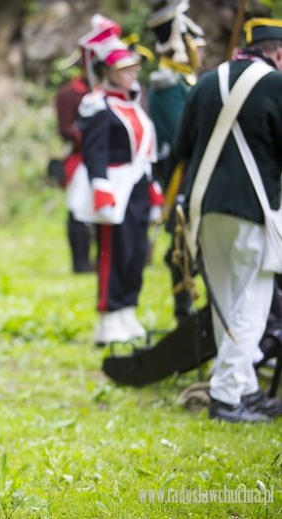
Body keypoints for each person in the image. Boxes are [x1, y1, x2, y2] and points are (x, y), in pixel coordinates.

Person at [176, 18, 282, 422]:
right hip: (253, 210)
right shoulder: (275, 85)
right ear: (278, 53)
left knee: (226, 303)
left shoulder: (205, 82)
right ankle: (226, 397)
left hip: (204, 210)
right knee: (252, 303)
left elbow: (183, 147)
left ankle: (245, 388)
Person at [68, 21, 163, 346]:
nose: (132, 73)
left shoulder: (134, 102)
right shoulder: (98, 105)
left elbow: (145, 152)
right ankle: (109, 320)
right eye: (125, 68)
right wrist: (101, 188)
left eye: (134, 67)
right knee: (113, 252)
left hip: (137, 186)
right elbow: (94, 152)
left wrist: (153, 189)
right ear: (108, 71)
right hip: (113, 188)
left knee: (137, 252)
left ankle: (127, 312)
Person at [146, 0, 206, 323]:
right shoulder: (166, 84)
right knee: (182, 250)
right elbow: (182, 136)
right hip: (181, 176)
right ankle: (184, 312)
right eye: (193, 43)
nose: (199, 50)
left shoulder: (185, 81)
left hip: (195, 172)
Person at [55, 66, 92, 273]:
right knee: (78, 208)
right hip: (80, 158)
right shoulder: (69, 94)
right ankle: (81, 263)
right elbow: (66, 128)